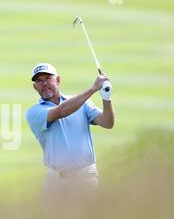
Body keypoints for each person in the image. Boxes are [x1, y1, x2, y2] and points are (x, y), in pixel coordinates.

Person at [26, 63, 115, 197]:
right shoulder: (34, 112)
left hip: (86, 176)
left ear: (58, 80)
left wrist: (106, 97)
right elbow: (61, 111)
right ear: (35, 87)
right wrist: (92, 89)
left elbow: (107, 122)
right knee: (54, 218)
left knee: (88, 217)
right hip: (55, 180)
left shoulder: (82, 103)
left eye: (48, 78)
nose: (44, 83)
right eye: (39, 81)